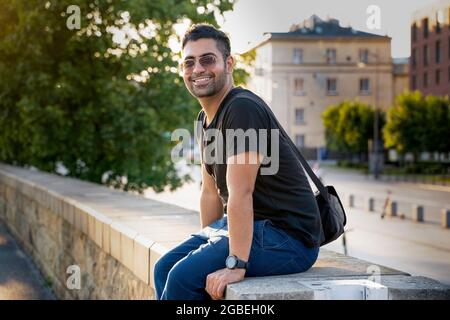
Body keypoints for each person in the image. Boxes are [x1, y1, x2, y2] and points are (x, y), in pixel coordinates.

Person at [153, 24, 322, 300]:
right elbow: (209, 193)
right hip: (252, 229)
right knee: (164, 269)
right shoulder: (204, 120)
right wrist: (205, 249)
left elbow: (240, 192)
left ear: (229, 63)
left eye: (208, 59)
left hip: (288, 238)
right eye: (189, 62)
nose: (197, 70)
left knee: (182, 278)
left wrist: (236, 263)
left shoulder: (242, 108)